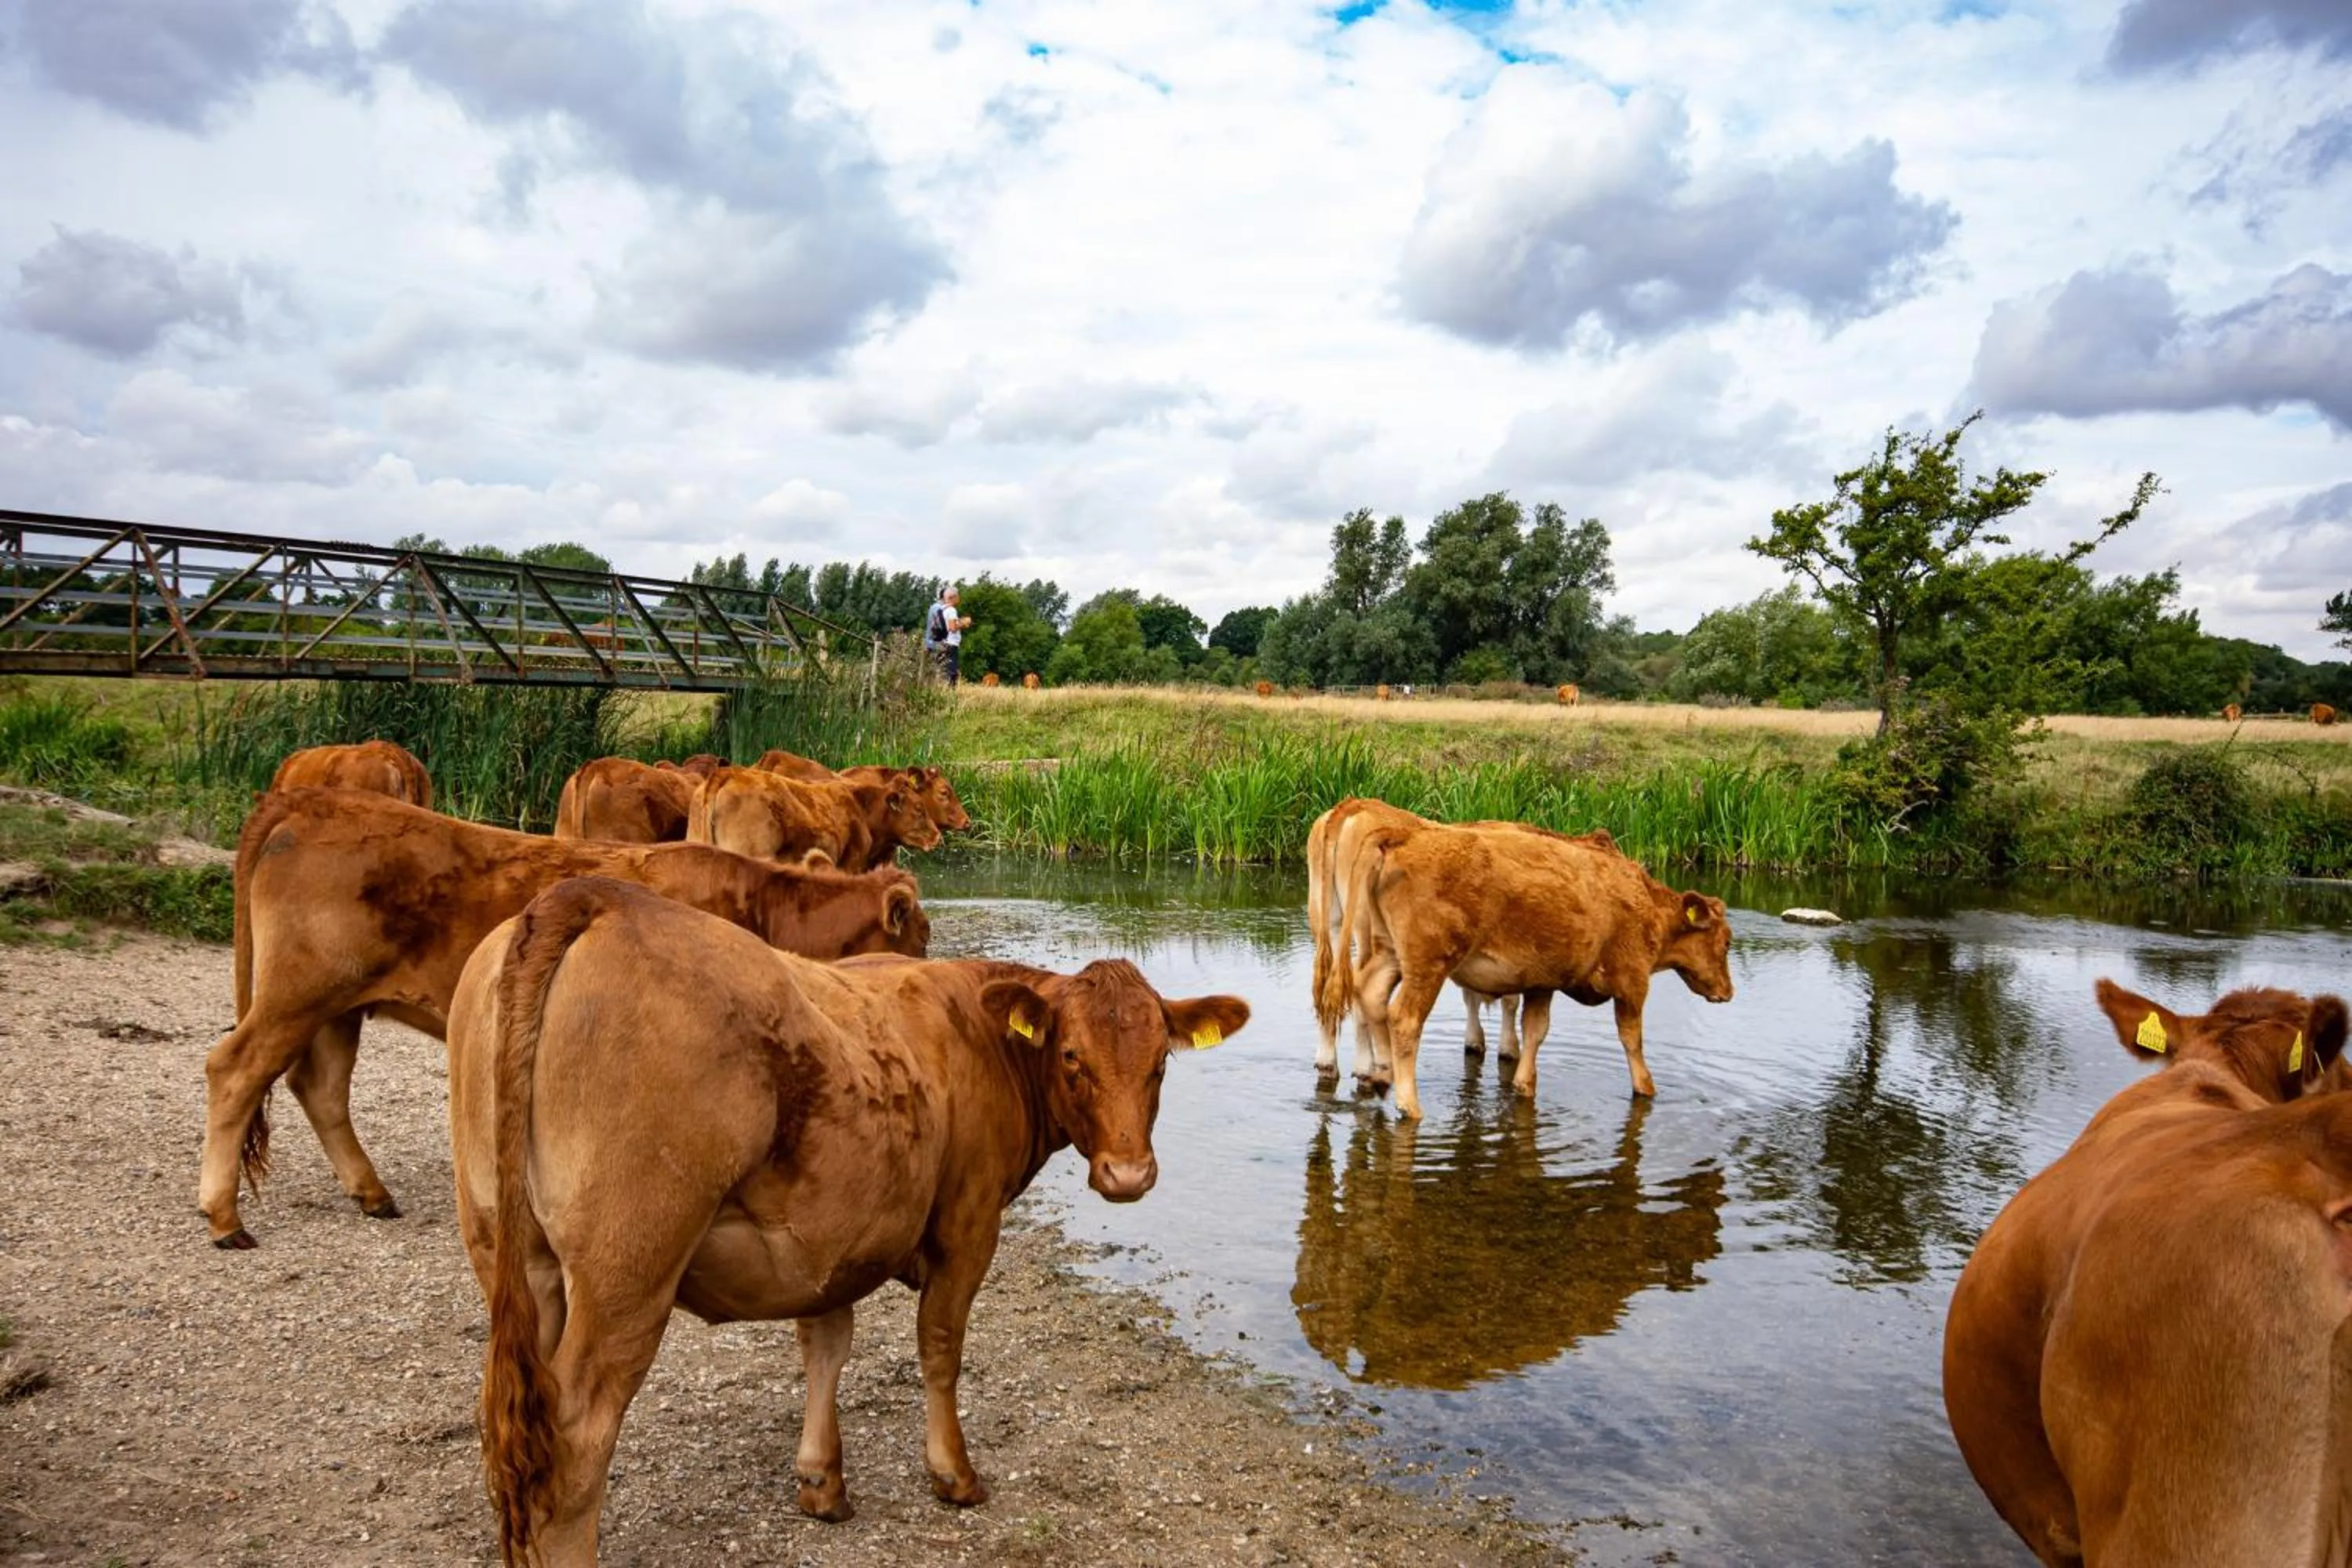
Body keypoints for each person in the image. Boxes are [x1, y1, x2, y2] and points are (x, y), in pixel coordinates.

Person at [924, 584, 971, 687]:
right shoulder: (944, 608)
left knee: (939, 670)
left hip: (936, 643)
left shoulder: (940, 608)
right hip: (940, 643)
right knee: (950, 671)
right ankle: (948, 693)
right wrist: (963, 623)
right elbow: (951, 627)